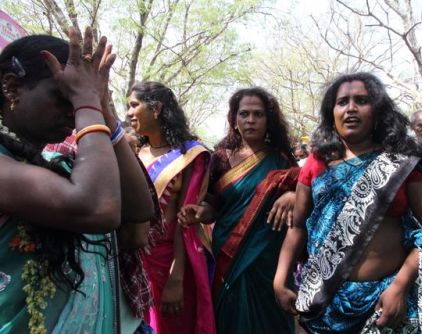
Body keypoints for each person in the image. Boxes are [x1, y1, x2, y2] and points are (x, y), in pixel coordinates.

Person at [273, 73, 422, 333]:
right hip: (324, 301)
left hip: (387, 301)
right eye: (342, 102)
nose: (351, 108)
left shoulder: (401, 162)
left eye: (361, 101)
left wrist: (400, 286)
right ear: (331, 112)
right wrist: (280, 279)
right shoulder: (317, 162)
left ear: (378, 110)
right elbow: (298, 226)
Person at [0, 28, 155, 333]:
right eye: (63, 97)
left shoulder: (50, 165)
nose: (74, 114)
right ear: (11, 88)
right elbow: (99, 208)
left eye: (78, 100)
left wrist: (105, 111)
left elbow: (138, 209)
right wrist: (85, 101)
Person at [178, 87, 299, 334]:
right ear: (234, 119)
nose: (251, 120)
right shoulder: (221, 158)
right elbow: (214, 206)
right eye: (244, 114)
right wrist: (200, 213)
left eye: (258, 114)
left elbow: (307, 193)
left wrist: (293, 195)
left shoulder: (283, 159)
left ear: (269, 120)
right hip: (227, 253)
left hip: (268, 257)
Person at [127, 81, 216, 334]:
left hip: (169, 263)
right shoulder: (137, 153)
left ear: (156, 108)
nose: (130, 113)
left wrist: (176, 280)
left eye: (135, 105)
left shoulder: (188, 156)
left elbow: (184, 223)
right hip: (133, 261)